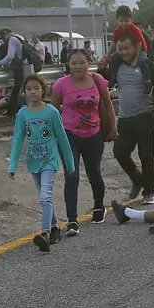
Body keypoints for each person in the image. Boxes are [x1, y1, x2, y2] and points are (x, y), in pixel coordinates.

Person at [7, 75, 75, 252]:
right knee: (44, 198)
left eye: (36, 88)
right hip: (33, 162)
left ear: (43, 90)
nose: (32, 92)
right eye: (29, 88)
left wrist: (70, 164)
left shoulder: (51, 112)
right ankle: (54, 227)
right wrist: (12, 165)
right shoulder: (23, 114)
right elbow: (17, 139)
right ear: (24, 92)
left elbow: (62, 138)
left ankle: (44, 233)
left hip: (49, 162)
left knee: (45, 196)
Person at [52, 49, 116, 230]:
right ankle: (72, 219)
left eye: (82, 62)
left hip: (94, 135)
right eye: (74, 63)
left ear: (89, 63)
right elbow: (53, 110)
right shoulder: (61, 85)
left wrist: (113, 127)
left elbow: (108, 103)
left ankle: (98, 206)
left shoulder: (98, 81)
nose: (78, 66)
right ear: (68, 65)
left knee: (94, 173)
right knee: (71, 176)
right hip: (69, 135)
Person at [110, 30, 154, 206]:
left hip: (145, 116)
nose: (123, 52)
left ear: (136, 47)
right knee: (119, 152)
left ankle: (149, 191)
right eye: (120, 49)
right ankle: (138, 179)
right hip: (125, 118)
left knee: (146, 155)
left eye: (126, 48)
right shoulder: (116, 66)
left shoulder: (146, 65)